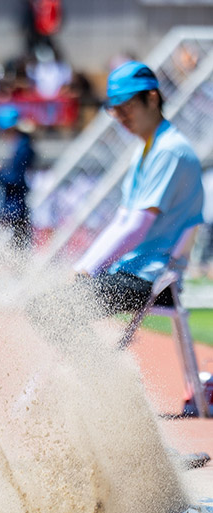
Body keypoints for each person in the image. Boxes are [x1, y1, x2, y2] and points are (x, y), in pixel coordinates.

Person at [43, 61, 205, 415]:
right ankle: (110, 396)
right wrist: (84, 267)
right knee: (47, 305)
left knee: (50, 309)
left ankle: (117, 404)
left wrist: (85, 269)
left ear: (151, 98)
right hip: (133, 271)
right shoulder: (147, 148)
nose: (119, 116)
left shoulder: (169, 151)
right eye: (114, 109)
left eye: (125, 106)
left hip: (150, 277)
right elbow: (122, 219)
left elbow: (135, 226)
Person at [0, 104, 37, 246]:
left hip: (15, 204)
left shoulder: (23, 148)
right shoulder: (20, 145)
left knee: (14, 245)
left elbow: (15, 179)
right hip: (13, 202)